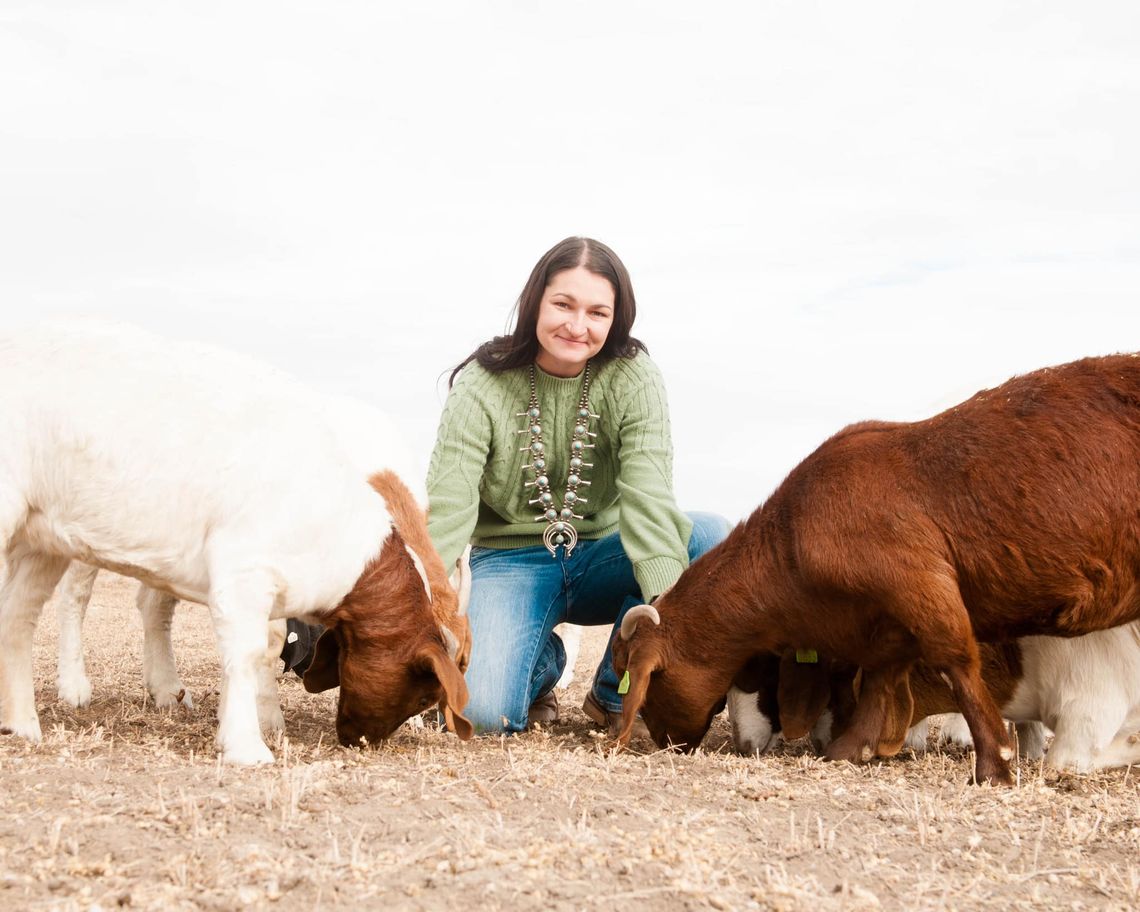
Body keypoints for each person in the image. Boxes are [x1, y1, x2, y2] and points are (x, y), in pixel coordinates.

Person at [426, 236, 729, 735]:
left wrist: (667, 617)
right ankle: (542, 663)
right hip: (510, 560)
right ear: (535, 302)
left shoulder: (634, 377)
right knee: (481, 719)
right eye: (563, 304)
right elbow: (449, 505)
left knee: (709, 534)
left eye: (597, 312)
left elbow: (649, 499)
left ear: (615, 319)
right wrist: (428, 602)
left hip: (604, 553)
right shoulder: (482, 382)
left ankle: (616, 689)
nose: (577, 325)